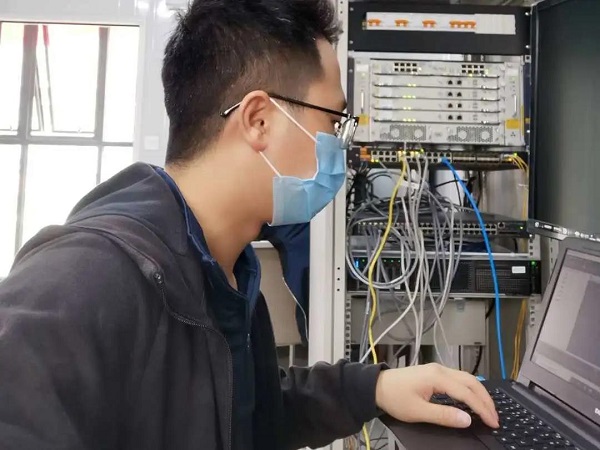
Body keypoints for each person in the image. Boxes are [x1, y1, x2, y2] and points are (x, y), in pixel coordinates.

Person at [0, 0, 499, 449]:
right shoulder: (86, 278)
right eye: (333, 121)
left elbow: (244, 414)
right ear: (259, 120)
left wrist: (375, 388)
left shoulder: (226, 272)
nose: (339, 148)